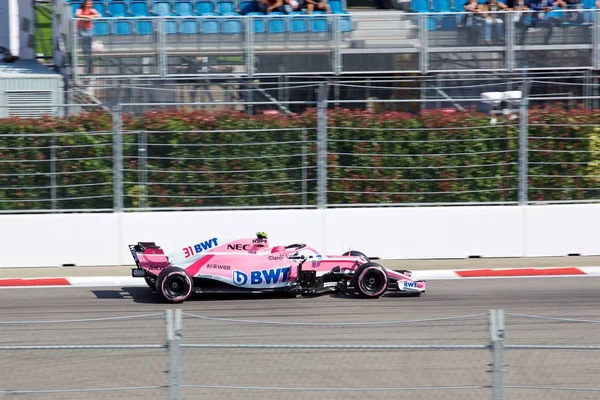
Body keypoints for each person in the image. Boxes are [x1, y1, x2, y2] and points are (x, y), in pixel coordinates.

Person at [75, 0, 101, 75]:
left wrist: (88, 17)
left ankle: (89, 57)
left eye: (90, 4)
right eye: (87, 3)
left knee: (88, 43)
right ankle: (85, 54)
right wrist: (88, 17)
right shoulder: (80, 10)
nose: (89, 5)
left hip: (88, 29)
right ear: (84, 4)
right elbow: (77, 15)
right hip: (81, 29)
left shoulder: (92, 10)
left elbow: (99, 15)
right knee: (84, 42)